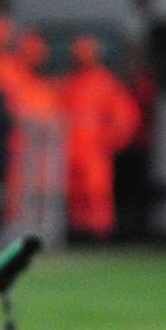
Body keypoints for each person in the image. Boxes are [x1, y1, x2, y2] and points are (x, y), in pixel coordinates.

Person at [59, 35, 141, 242]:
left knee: (96, 193)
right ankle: (78, 233)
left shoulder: (106, 83)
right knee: (75, 195)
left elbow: (126, 118)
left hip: (94, 151)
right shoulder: (69, 84)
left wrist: (107, 142)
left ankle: (100, 234)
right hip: (71, 151)